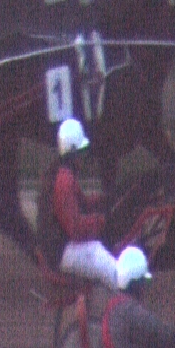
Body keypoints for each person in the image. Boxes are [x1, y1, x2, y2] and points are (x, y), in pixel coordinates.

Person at [36, 118, 119, 289]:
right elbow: (75, 228)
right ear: (73, 152)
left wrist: (106, 199)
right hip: (60, 251)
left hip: (57, 247)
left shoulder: (62, 172)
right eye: (81, 152)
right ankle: (125, 298)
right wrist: (100, 221)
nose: (83, 157)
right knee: (103, 259)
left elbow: (83, 203)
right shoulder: (64, 180)